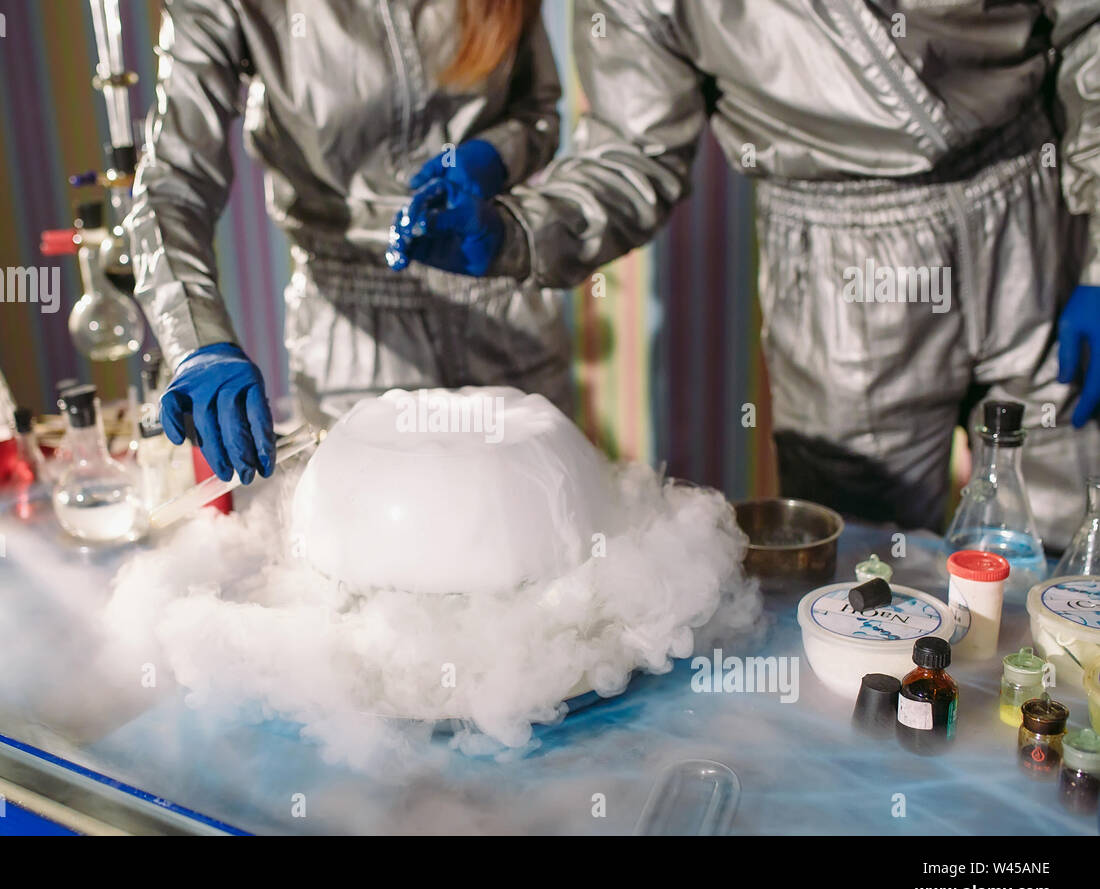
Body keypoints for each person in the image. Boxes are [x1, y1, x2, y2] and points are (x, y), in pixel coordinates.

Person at [390, 0, 1100, 550]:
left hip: (1041, 211)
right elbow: (634, 154)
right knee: (868, 580)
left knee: (1070, 547)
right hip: (840, 272)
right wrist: (517, 232)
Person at [126, 0, 569, 486]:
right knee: (381, 546)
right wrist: (199, 340)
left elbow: (537, 110)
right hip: (356, 343)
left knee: (541, 535)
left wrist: (495, 155)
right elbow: (173, 183)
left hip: (508, 309)